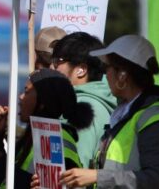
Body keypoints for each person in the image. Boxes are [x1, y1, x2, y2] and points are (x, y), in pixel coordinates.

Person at [59, 35, 159, 189]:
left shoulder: (155, 119)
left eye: (107, 68)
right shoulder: (125, 113)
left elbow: (155, 179)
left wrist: (96, 176)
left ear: (122, 75)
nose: (105, 74)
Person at [0, 68, 93, 188]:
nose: (21, 97)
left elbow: (49, 185)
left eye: (27, 91)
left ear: (43, 101)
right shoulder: (34, 135)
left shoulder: (56, 139)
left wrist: (0, 161)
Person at [50, 32, 117, 167]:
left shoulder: (83, 107)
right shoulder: (99, 102)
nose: (52, 67)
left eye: (58, 62)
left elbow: (75, 170)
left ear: (81, 70)